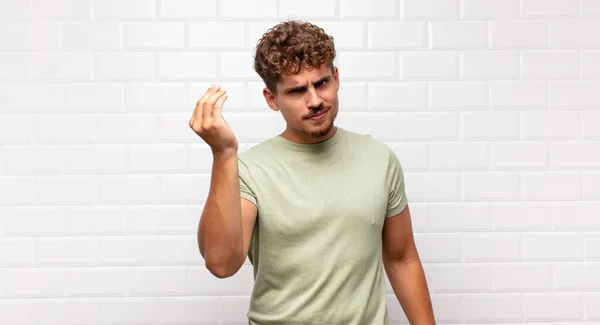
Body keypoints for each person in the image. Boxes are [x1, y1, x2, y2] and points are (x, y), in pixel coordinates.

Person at [190, 20, 436, 325]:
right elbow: (221, 263)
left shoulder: (379, 159)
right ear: (272, 99)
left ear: (336, 78)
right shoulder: (249, 170)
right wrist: (223, 154)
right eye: (296, 91)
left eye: (321, 83)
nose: (315, 100)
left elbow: (402, 259)